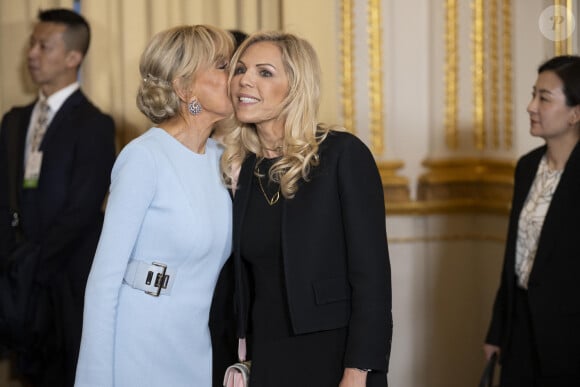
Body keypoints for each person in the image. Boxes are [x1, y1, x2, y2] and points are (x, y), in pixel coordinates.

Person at [220, 31, 392, 387]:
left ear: (296, 86)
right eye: (240, 69)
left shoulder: (342, 155)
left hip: (334, 354)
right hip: (267, 353)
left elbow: (372, 278)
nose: (244, 80)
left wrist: (358, 370)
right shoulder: (245, 168)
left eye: (264, 72)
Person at [74, 24, 235, 387]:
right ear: (184, 87)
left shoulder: (221, 159)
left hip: (193, 346)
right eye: (223, 65)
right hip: (137, 343)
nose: (235, 75)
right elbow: (103, 280)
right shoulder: (144, 157)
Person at [0, 8, 116, 387]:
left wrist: (33, 260)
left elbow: (83, 209)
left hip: (66, 279)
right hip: (19, 277)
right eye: (32, 44)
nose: (31, 54)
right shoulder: (15, 119)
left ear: (72, 57)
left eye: (43, 45)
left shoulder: (95, 124)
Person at [484, 55, 580, 386]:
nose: (530, 106)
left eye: (544, 97)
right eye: (532, 94)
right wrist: (497, 330)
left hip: (570, 340)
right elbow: (514, 256)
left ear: (575, 113)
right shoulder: (526, 167)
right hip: (521, 331)